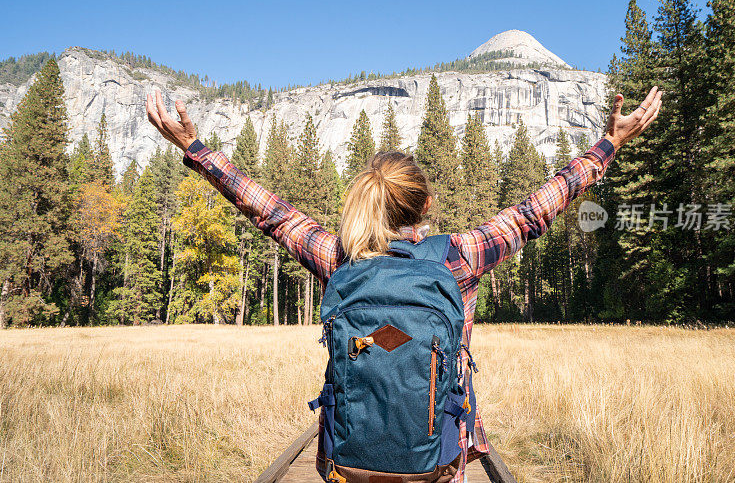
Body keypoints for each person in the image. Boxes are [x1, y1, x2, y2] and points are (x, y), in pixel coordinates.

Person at [146, 85, 662, 482]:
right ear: (426, 205)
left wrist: (194, 147)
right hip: (438, 457)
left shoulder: (342, 258)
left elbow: (270, 212)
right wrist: (610, 143)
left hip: (352, 459)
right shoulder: (461, 257)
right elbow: (535, 210)